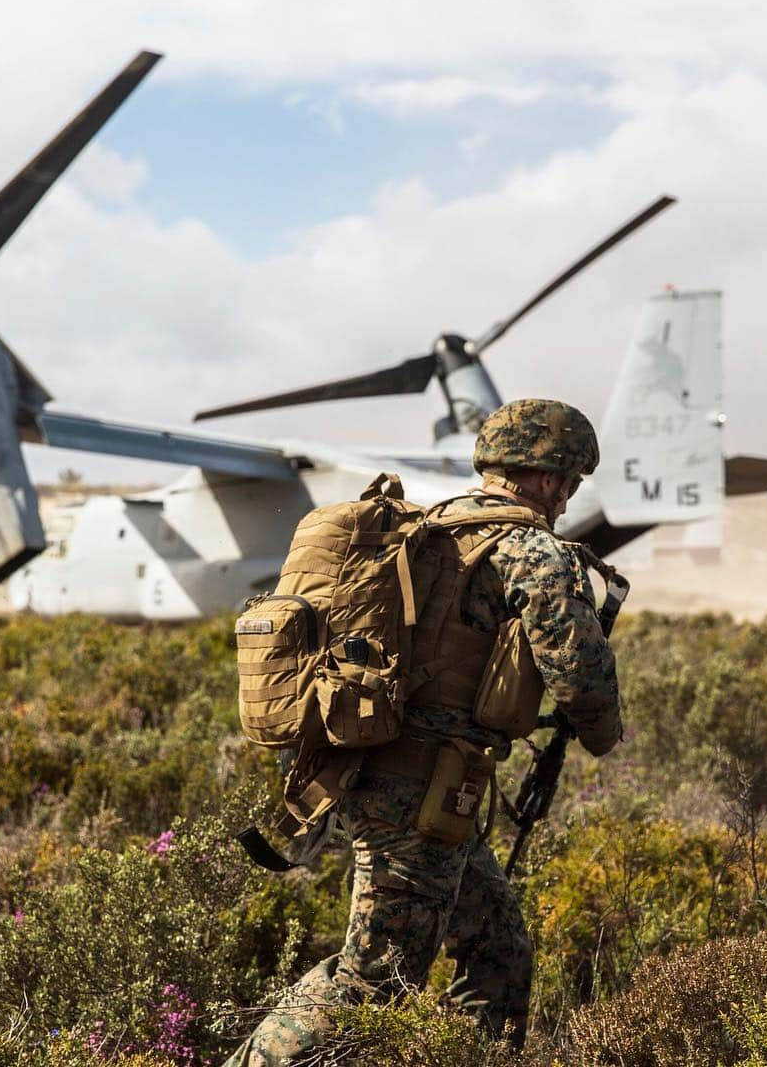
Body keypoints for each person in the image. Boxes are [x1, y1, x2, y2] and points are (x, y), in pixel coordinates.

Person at [227, 398, 623, 1065]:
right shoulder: (532, 549)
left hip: (407, 779)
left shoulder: (433, 527)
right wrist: (603, 728)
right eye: (571, 482)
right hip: (419, 789)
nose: (567, 497)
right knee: (372, 978)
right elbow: (576, 667)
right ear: (553, 477)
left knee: (498, 946)